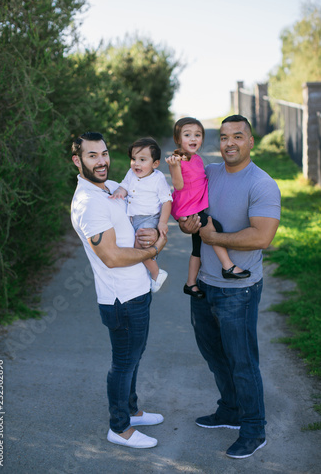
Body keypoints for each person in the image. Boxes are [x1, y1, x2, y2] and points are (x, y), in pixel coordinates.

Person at [179, 115, 281, 459]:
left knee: (242, 361)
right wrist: (186, 224)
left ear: (251, 141)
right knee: (215, 356)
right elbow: (188, 212)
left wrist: (213, 236)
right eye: (223, 137)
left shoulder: (262, 183)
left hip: (239, 290)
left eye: (238, 136)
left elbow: (263, 236)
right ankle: (231, 410)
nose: (230, 143)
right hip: (205, 284)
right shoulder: (209, 172)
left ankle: (254, 429)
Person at [71, 132, 167, 449]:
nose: (102, 161)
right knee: (123, 363)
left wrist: (154, 232)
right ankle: (119, 427)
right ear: (78, 161)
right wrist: (152, 254)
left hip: (139, 288)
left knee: (135, 356)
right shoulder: (87, 203)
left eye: (105, 153)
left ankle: (131, 410)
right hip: (120, 299)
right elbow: (111, 257)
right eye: (92, 156)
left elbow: (145, 210)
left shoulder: (112, 188)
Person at [165, 117, 250, 300]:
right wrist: (174, 167)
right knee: (215, 228)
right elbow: (178, 186)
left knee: (197, 249)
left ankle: (190, 283)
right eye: (187, 135)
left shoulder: (195, 158)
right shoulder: (178, 160)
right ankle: (228, 266)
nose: (193, 138)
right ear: (178, 138)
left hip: (195, 208)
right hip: (188, 210)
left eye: (198, 135)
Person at [110, 137, 172, 293]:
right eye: (133, 158)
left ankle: (156, 273)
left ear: (155, 164)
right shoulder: (131, 174)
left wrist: (162, 222)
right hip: (132, 218)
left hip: (149, 218)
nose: (136, 163)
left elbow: (167, 201)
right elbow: (124, 185)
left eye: (142, 159)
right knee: (134, 246)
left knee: (139, 247)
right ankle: (146, 268)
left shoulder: (157, 178)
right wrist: (119, 192)